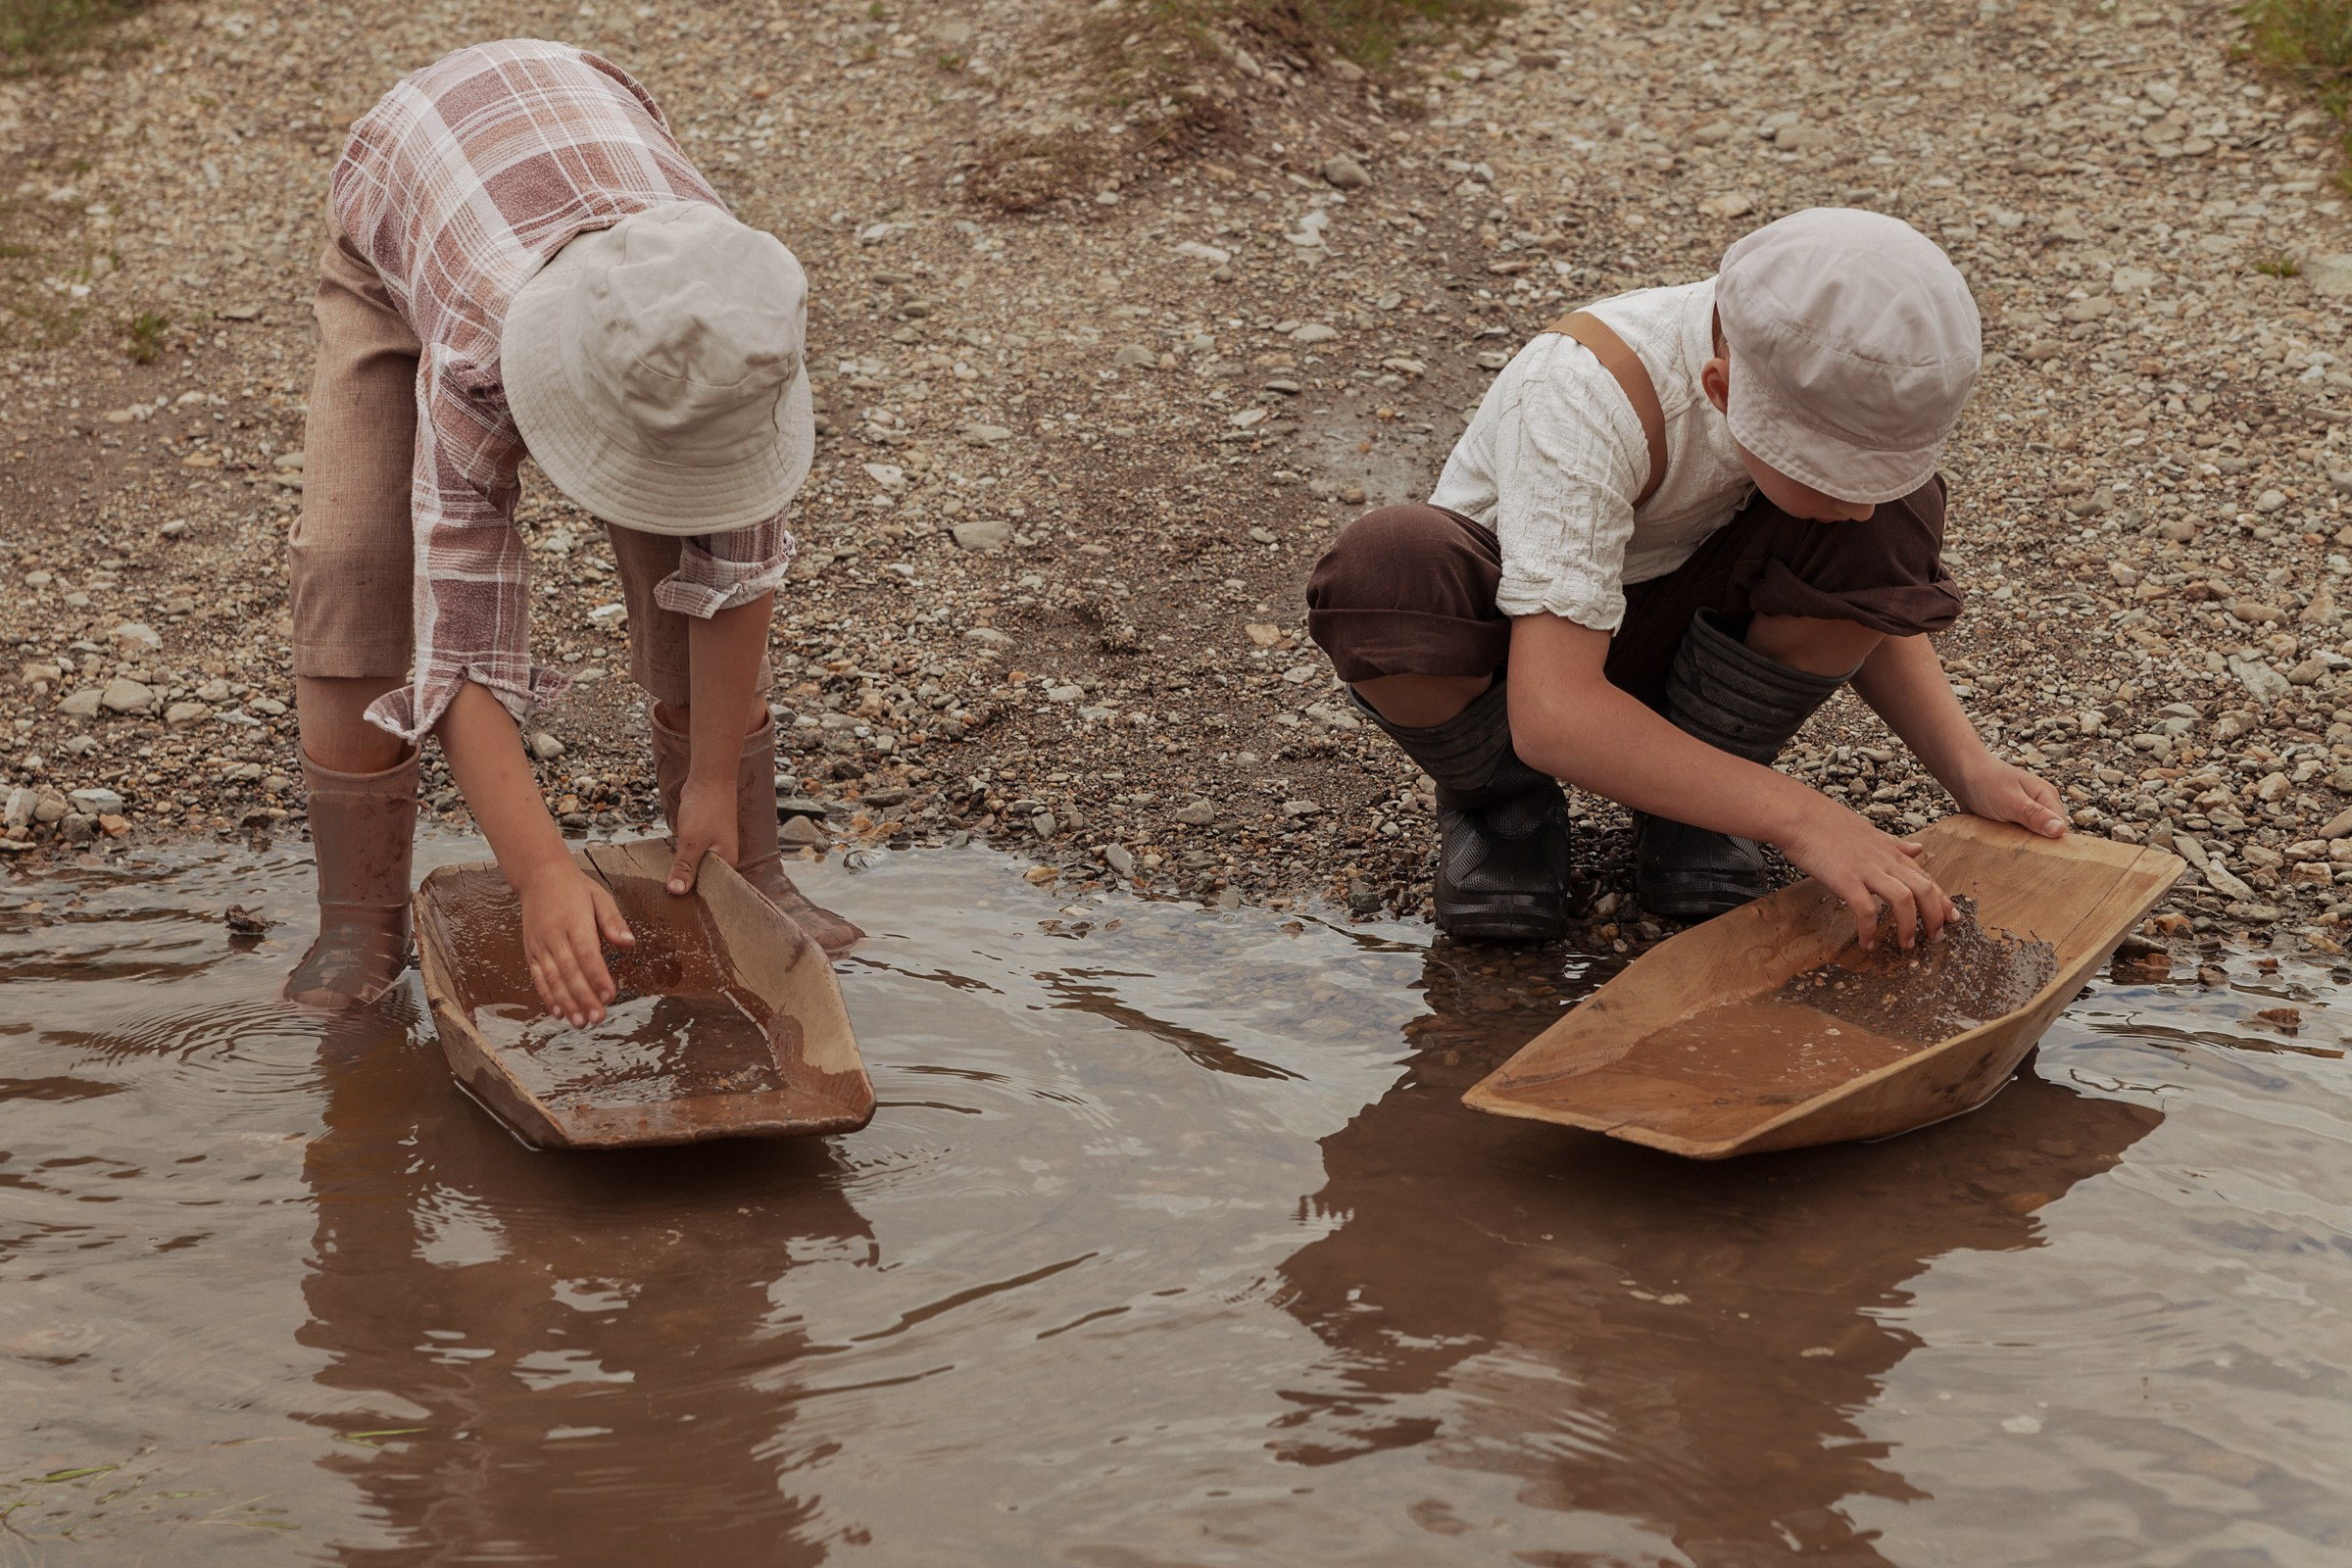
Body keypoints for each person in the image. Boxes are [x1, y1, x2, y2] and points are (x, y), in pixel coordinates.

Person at [283, 39, 859, 1026]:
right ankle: (357, 922)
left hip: (582, 152)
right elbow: (461, 644)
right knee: (356, 558)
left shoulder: (732, 332)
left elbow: (737, 569)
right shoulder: (475, 353)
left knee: (685, 547)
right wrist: (542, 871)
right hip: (411, 205)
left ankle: (746, 863)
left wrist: (713, 782)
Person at [1306, 208, 2067, 948]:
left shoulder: (1818, 377)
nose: (1859, 504)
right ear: (1722, 389)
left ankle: (1699, 808)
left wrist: (1970, 768)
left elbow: (1867, 601)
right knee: (1386, 568)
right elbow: (1554, 713)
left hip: (1670, 647)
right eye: (1833, 479)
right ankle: (1501, 808)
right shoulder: (1580, 393)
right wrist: (1805, 818)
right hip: (1522, 664)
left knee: (1900, 518)